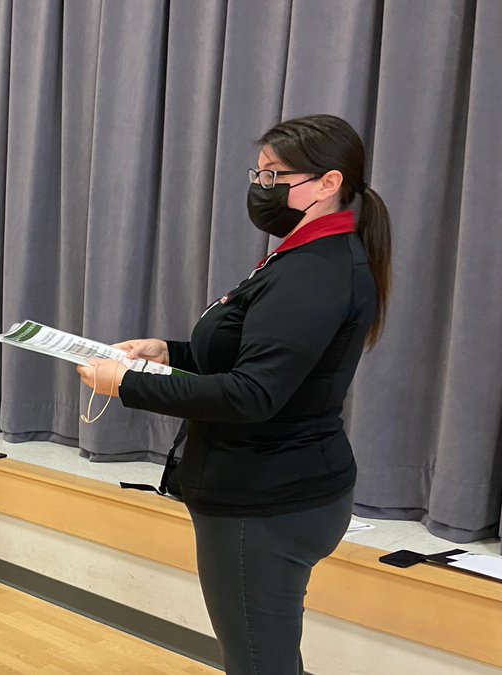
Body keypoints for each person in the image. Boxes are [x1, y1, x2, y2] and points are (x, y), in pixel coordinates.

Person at [77, 114, 391, 674]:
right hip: (273, 488)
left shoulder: (316, 272)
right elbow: (253, 357)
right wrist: (169, 353)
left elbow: (252, 395)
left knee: (258, 664)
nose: (261, 187)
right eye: (259, 173)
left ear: (328, 183)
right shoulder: (300, 258)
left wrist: (126, 384)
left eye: (275, 176)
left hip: (267, 501)